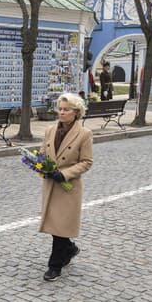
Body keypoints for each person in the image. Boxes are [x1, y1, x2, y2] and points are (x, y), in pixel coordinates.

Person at [38, 93, 94, 281]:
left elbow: (86, 162)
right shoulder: (50, 129)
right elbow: (43, 152)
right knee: (56, 225)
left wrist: (64, 174)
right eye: (60, 109)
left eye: (66, 109)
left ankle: (54, 266)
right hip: (51, 184)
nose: (61, 112)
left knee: (60, 227)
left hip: (67, 185)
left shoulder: (84, 134)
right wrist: (41, 165)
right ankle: (70, 249)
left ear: (76, 113)